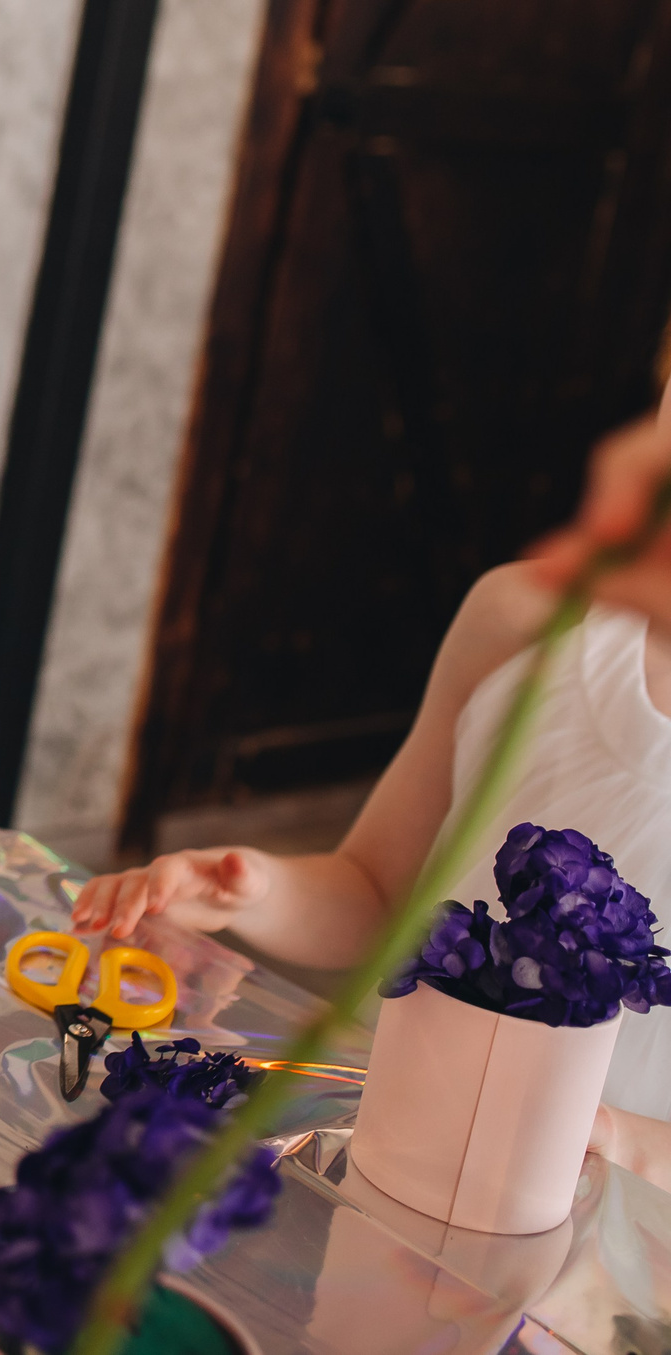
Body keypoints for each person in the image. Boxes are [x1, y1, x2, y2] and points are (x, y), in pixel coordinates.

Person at [76, 390, 671, 1181]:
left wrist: (617, 1140)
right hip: (380, 1165)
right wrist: (251, 895)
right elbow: (377, 896)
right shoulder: (521, 621)